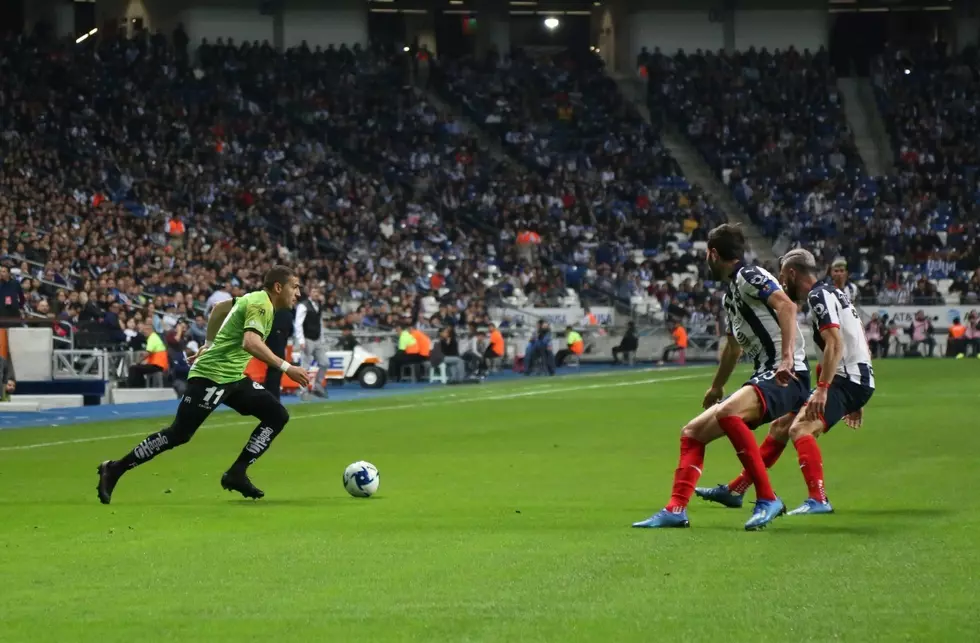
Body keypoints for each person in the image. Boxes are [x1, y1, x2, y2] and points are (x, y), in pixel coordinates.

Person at [632, 224, 808, 531]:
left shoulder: (749, 276)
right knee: (692, 432)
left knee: (728, 413)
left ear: (713, 254)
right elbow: (733, 347)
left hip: (787, 376)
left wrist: (788, 357)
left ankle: (768, 498)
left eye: (706, 256)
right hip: (766, 376)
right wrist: (716, 386)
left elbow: (788, 307)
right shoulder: (732, 297)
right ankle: (676, 509)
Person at [96, 266, 310, 504]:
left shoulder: (253, 299)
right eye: (295, 287)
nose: (298, 293)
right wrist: (287, 367)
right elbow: (251, 342)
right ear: (279, 287)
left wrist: (209, 343)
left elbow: (219, 309)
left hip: (232, 378)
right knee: (178, 434)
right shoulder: (261, 304)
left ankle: (237, 473)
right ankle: (115, 468)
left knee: (277, 415)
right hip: (210, 377)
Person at [697, 249, 875, 515]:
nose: (780, 282)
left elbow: (835, 344)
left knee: (801, 429)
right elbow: (855, 338)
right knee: (781, 427)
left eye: (782, 276)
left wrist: (826, 390)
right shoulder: (834, 293)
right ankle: (737, 489)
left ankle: (818, 498)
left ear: (792, 273)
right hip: (853, 377)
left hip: (847, 379)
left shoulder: (818, 295)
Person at [293, 287, 328, 398]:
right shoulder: (303, 305)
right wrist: (301, 340)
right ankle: (303, 391)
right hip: (307, 339)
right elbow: (298, 324)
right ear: (310, 293)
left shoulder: (319, 306)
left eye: (317, 292)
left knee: (324, 363)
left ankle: (317, 386)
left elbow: (320, 323)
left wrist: (322, 339)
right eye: (314, 291)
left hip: (317, 339)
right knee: (305, 366)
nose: (316, 294)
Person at [264, 307, 295, 400]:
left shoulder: (273, 310)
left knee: (273, 370)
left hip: (272, 340)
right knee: (276, 370)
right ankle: (273, 398)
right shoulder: (286, 313)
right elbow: (291, 330)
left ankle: (271, 397)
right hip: (279, 341)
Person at [126, 322, 169, 387]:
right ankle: (140, 386)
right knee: (138, 369)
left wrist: (137, 362)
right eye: (144, 329)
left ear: (151, 330)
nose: (144, 331)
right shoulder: (154, 337)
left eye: (146, 329)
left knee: (133, 368)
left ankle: (132, 387)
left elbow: (147, 353)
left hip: (158, 365)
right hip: (157, 364)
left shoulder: (152, 338)